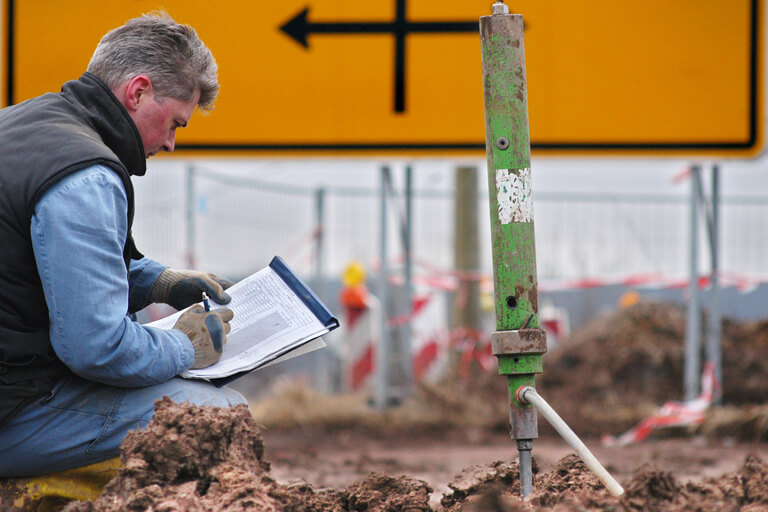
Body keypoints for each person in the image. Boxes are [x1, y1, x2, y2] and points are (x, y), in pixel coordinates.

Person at [0, 12, 248, 477]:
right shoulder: (84, 176)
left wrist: (159, 282)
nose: (172, 143)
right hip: (12, 413)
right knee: (214, 415)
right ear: (138, 92)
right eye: (175, 123)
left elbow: (38, 259)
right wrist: (183, 346)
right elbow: (96, 349)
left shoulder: (21, 125)